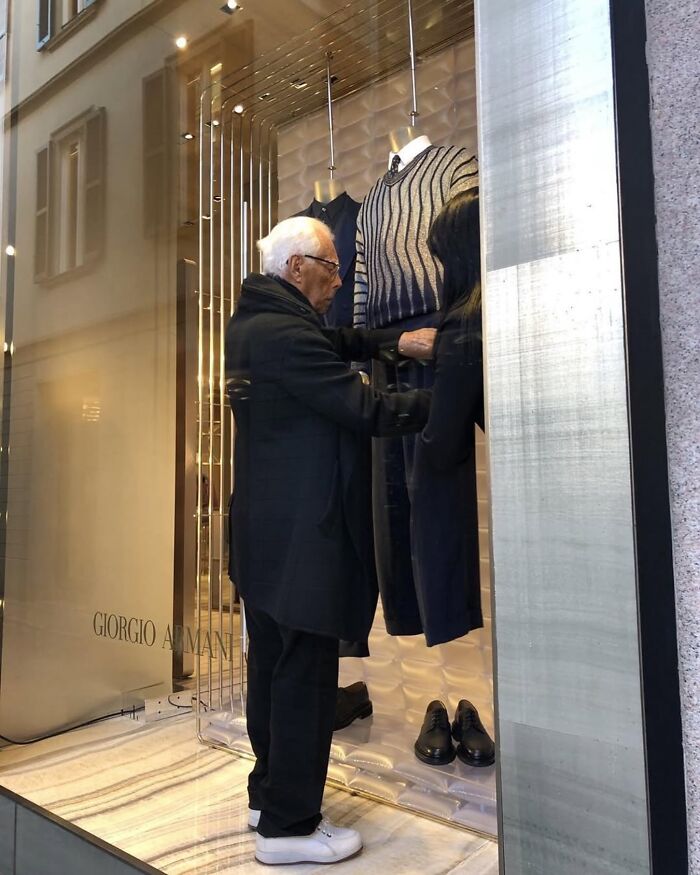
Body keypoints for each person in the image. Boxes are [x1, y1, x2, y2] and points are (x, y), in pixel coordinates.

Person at [224, 216, 435, 866]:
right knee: (305, 682)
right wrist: (450, 400)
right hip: (303, 538)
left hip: (266, 535)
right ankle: (289, 826)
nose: (339, 281)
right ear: (296, 267)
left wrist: (395, 342)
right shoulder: (287, 335)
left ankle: (268, 796)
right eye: (331, 267)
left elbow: (337, 340)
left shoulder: (254, 322)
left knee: (271, 668)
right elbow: (367, 410)